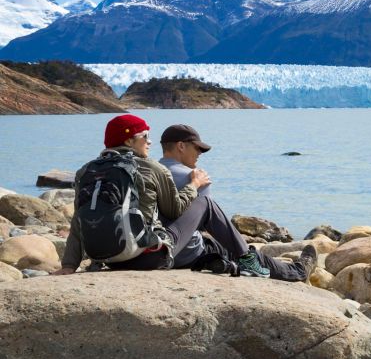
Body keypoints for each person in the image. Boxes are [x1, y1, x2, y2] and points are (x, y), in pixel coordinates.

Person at [53, 115, 315, 281]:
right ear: (130, 140)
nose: (149, 142)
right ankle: (259, 264)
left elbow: (79, 221)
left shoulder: (86, 171)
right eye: (145, 136)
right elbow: (177, 209)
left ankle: (244, 262)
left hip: (110, 259)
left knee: (218, 250)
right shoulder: (153, 169)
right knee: (207, 205)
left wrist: (69, 265)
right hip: (149, 258)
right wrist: (194, 184)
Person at [158, 123, 314, 281]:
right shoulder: (194, 177)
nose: (200, 153)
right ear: (181, 146)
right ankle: (298, 271)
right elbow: (208, 221)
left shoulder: (149, 172)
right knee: (245, 253)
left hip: (157, 247)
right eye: (197, 148)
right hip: (188, 252)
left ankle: (228, 261)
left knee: (223, 246)